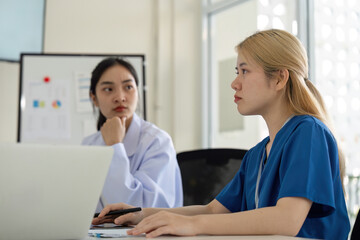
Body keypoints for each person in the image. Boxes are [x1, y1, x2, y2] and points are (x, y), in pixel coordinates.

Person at [92, 29, 350, 239]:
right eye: (236, 72)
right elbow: (214, 210)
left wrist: (194, 226)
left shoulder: (308, 132)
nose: (234, 83)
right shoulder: (257, 153)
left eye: (244, 71)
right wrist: (143, 214)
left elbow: (287, 220)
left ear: (280, 79)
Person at [82, 58, 183, 212]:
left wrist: (115, 145)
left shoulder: (157, 142)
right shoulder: (88, 145)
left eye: (128, 87)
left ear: (137, 92)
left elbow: (136, 210)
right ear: (94, 98)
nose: (120, 97)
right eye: (108, 89)